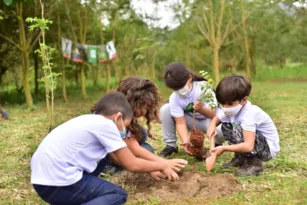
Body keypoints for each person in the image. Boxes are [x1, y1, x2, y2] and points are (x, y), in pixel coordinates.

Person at [31, 92, 187, 205]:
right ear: (118, 117)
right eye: (125, 126)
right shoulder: (106, 125)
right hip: (58, 183)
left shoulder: (87, 120)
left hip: (41, 180)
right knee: (117, 194)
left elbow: (116, 157)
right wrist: (164, 164)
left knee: (106, 155)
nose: (124, 131)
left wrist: (150, 168)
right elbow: (131, 164)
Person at [91, 76, 187, 181]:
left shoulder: (116, 105)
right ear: (133, 102)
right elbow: (132, 148)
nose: (145, 112)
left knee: (142, 134)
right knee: (146, 150)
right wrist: (162, 163)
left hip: (115, 149)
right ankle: (109, 167)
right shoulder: (115, 119)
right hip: (103, 157)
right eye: (144, 107)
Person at [207, 74, 280, 176]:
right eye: (221, 104)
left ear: (244, 100)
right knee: (226, 126)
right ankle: (241, 157)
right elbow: (217, 118)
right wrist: (212, 125)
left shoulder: (249, 114)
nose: (224, 108)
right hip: (252, 143)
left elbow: (249, 146)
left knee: (238, 129)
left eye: (229, 104)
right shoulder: (232, 109)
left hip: (266, 149)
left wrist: (224, 148)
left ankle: (254, 163)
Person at [159, 62, 223, 157]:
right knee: (165, 109)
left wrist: (201, 109)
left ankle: (216, 144)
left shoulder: (204, 87)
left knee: (222, 130)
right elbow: (180, 122)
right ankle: (171, 145)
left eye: (181, 86)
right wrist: (186, 142)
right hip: (193, 122)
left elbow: (213, 114)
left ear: (190, 78)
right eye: (176, 89)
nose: (179, 90)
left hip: (211, 121)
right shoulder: (174, 98)